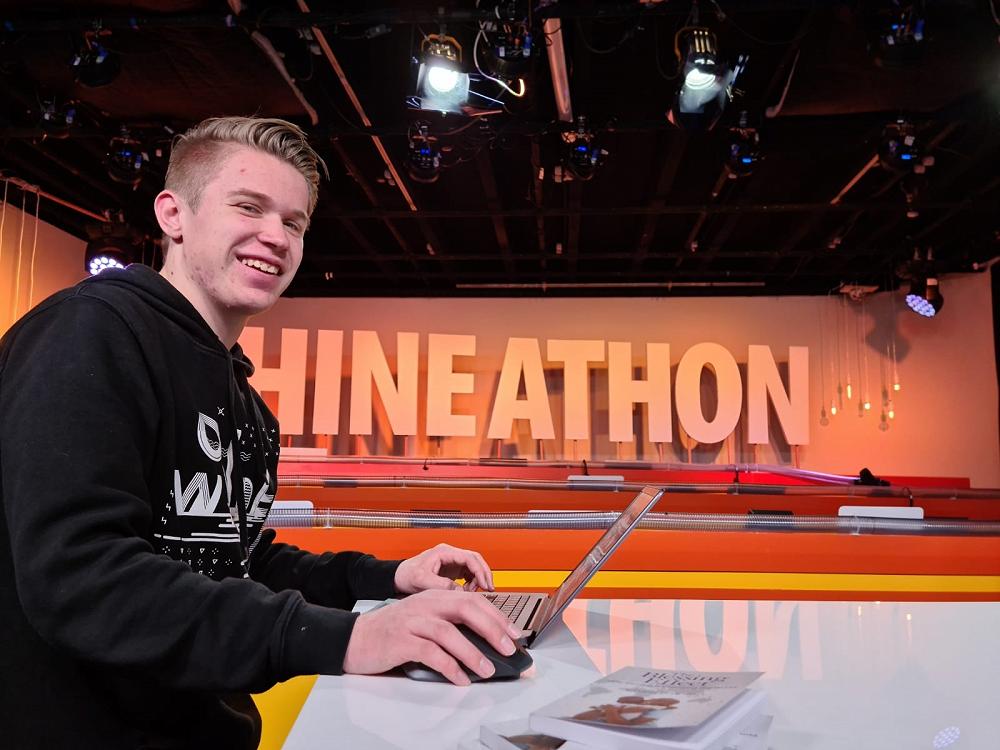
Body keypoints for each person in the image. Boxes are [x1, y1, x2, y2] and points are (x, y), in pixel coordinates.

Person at [0, 116, 520, 750]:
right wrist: (349, 638)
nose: (275, 236)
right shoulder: (90, 333)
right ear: (173, 214)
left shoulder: (244, 401)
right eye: (248, 207)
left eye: (294, 223)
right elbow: (81, 578)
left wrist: (386, 580)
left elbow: (233, 558)